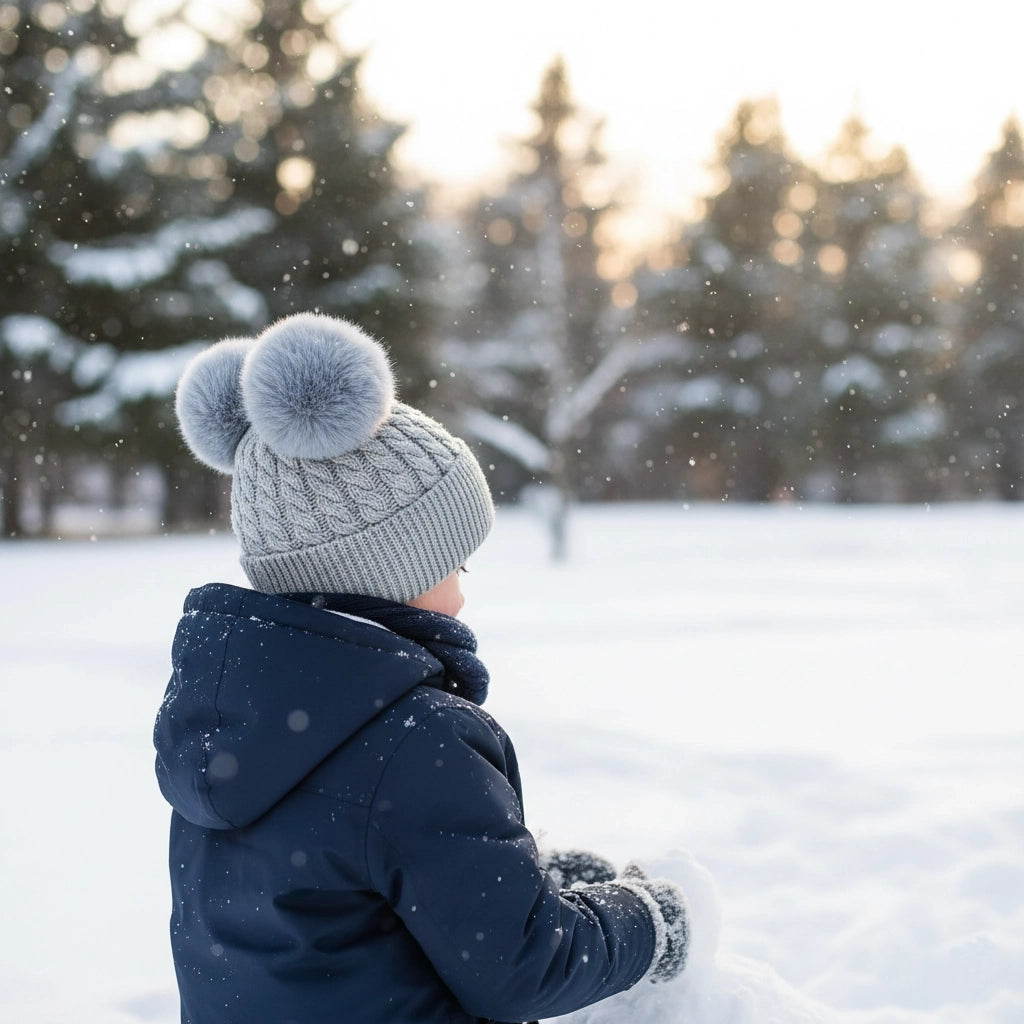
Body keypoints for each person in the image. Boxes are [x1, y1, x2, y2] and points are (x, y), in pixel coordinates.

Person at [154, 312, 690, 1024]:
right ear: (388, 568)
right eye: (454, 563)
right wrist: (653, 923)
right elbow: (528, 968)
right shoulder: (414, 740)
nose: (464, 590)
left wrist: (541, 883)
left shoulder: (230, 733)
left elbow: (345, 898)